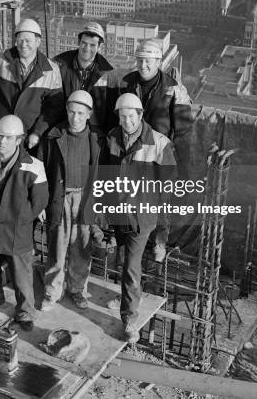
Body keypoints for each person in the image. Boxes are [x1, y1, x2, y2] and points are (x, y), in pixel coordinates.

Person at [107, 38, 193, 260]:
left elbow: (184, 128)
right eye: (140, 60)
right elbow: (115, 114)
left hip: (159, 152)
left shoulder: (173, 88)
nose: (143, 65)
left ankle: (159, 241)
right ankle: (122, 234)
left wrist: (175, 154)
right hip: (131, 149)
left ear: (158, 61)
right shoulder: (126, 82)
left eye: (148, 61)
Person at [102, 93, 177, 343]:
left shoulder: (158, 143)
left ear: (140, 115)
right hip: (119, 215)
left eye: (130, 116)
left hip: (141, 218)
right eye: (122, 117)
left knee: (132, 267)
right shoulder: (112, 137)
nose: (126, 122)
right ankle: (126, 296)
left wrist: (161, 238)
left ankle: (129, 320)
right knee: (123, 260)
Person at [0, 115, 48, 331]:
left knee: (21, 273)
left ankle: (25, 312)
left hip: (18, 229)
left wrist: (20, 218)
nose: (2, 142)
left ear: (19, 140)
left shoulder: (34, 166)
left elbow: (39, 201)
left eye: (8, 138)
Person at [38, 90, 103, 311]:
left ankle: (77, 290)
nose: (75, 118)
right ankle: (52, 292)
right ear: (66, 110)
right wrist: (40, 202)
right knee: (56, 248)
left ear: (88, 114)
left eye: (80, 113)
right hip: (59, 198)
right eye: (71, 112)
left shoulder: (96, 140)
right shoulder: (53, 136)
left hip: (84, 199)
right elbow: (39, 171)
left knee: (81, 248)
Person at [0, 18, 64, 151]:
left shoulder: (51, 71)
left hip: (28, 138)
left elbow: (54, 108)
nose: (23, 45)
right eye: (20, 40)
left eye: (28, 41)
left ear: (38, 42)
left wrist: (37, 132)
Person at [53, 22, 113, 133]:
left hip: (92, 133)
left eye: (93, 45)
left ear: (100, 47)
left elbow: (109, 111)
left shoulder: (107, 73)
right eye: (84, 43)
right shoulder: (59, 65)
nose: (87, 48)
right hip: (62, 129)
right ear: (78, 42)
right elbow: (51, 101)